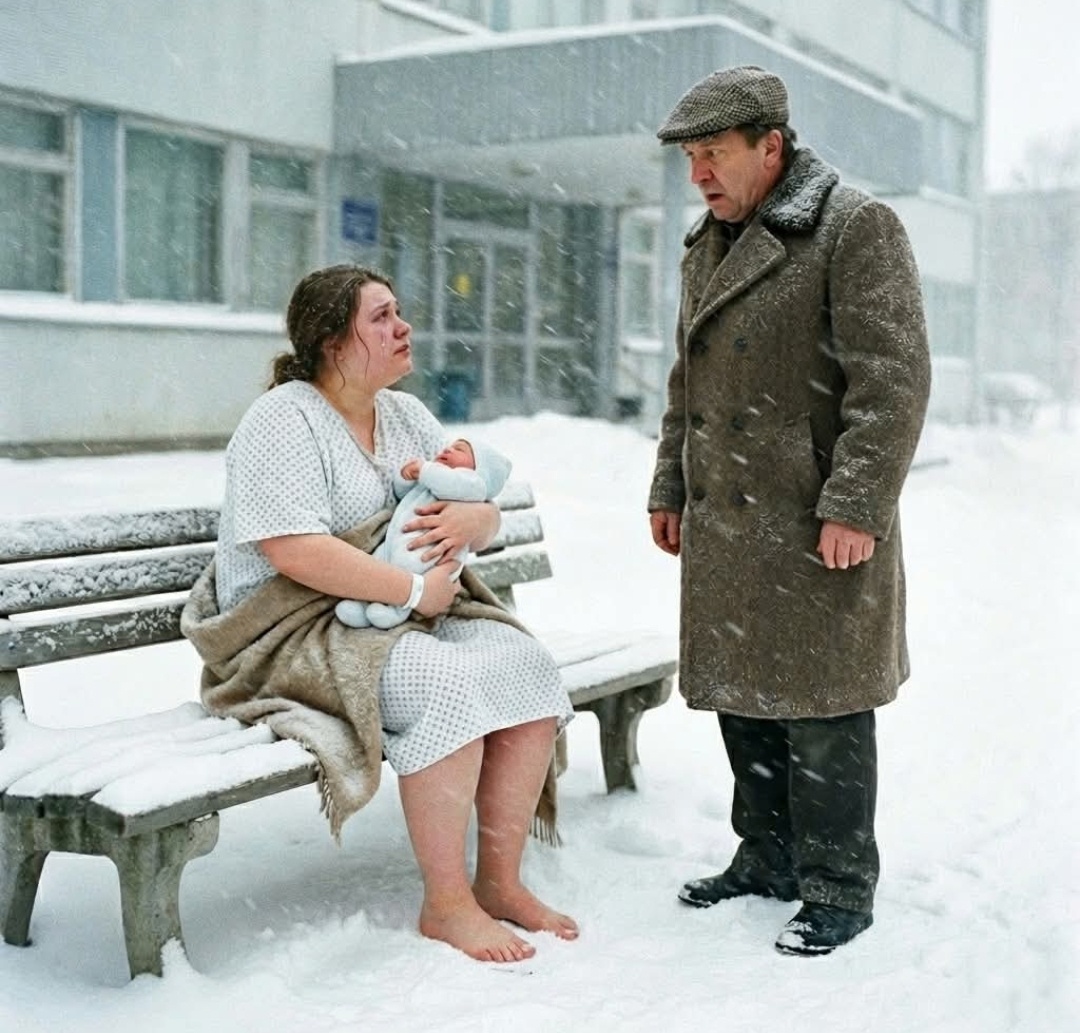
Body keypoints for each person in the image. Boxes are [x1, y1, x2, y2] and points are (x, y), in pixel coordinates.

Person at [181, 264, 577, 964]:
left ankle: (500, 880)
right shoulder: (282, 419)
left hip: (394, 612)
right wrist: (411, 592)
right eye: (381, 317)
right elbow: (292, 549)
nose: (403, 327)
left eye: (399, 311)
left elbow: (470, 497)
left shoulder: (405, 415)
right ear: (332, 341)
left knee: (525, 665)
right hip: (291, 630)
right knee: (442, 682)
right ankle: (446, 903)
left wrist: (478, 518)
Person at [648, 66, 931, 956]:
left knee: (823, 705)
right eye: (690, 157)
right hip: (730, 513)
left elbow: (892, 385)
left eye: (714, 152)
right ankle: (767, 855)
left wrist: (857, 504)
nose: (699, 172)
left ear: (770, 145)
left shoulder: (853, 227)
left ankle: (839, 884)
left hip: (814, 517)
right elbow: (688, 382)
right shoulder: (707, 243)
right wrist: (670, 485)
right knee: (745, 696)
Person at [335, 437, 511, 630]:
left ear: (480, 469)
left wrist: (425, 470)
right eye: (449, 447)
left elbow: (451, 483)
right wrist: (406, 478)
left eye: (459, 450)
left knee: (410, 572)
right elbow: (404, 496)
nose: (448, 450)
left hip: (428, 553)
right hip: (397, 541)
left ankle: (396, 612)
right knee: (379, 565)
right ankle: (361, 605)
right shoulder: (433, 481)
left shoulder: (471, 483)